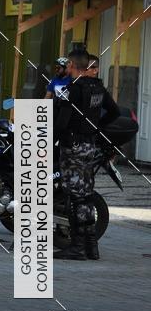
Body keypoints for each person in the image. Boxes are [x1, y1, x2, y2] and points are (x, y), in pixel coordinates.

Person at [54, 48, 120, 261]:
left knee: (76, 197)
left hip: (73, 147)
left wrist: (51, 142)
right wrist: (95, 128)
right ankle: (91, 246)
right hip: (89, 146)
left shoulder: (72, 89)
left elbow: (61, 122)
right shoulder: (97, 87)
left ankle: (78, 247)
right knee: (86, 194)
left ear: (72, 65)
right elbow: (115, 112)